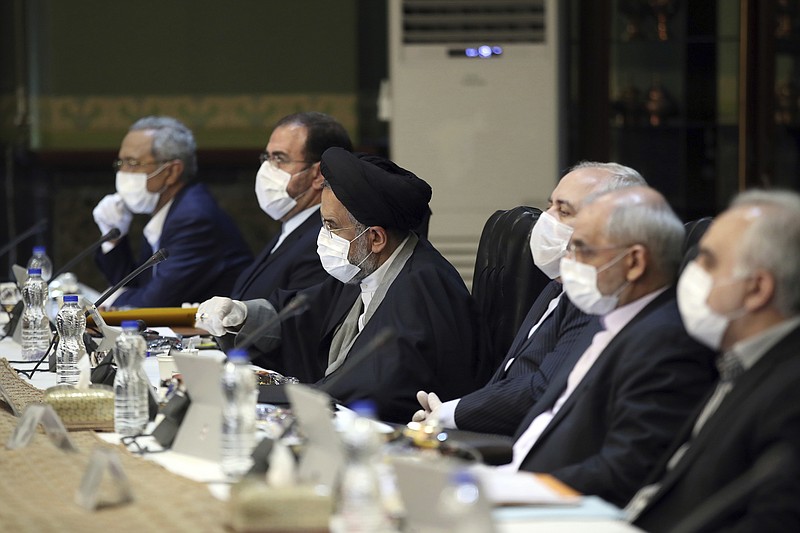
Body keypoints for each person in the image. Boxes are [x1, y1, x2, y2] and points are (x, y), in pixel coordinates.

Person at [196, 148, 492, 423]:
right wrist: (242, 316)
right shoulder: (365, 268)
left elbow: (379, 387)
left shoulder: (424, 288)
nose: (323, 238)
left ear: (375, 238)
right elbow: (303, 317)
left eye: (332, 226)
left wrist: (292, 396)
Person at [498, 186, 716, 508]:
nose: (567, 261)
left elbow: (623, 470)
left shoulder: (666, 343)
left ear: (635, 263)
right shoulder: (608, 316)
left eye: (582, 250)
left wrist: (513, 488)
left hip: (554, 509)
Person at [413, 161, 646, 436]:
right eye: (550, 205)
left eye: (564, 210)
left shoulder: (597, 298)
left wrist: (451, 414)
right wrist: (449, 413)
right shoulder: (554, 285)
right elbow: (510, 377)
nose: (546, 218)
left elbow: (543, 390)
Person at [627, 190, 800, 532]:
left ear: (757, 289)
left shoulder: (790, 392)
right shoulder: (737, 363)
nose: (691, 271)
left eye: (708, 261)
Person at [92, 116, 252, 307]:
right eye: (121, 163)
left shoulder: (193, 217)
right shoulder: (165, 211)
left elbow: (155, 302)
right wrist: (113, 239)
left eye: (132, 163)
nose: (122, 172)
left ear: (172, 171)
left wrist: (111, 299)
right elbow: (136, 284)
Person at [217, 112, 351, 305]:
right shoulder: (291, 228)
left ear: (319, 174)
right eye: (267, 157)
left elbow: (297, 320)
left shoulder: (324, 240)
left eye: (280, 158)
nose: (267, 169)